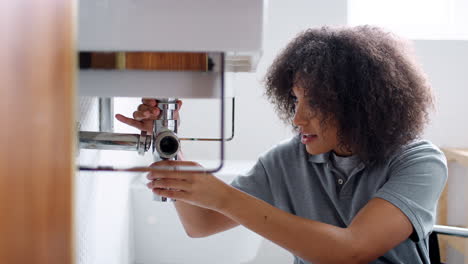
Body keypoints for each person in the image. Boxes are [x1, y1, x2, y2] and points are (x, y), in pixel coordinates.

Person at [116, 26, 447, 264]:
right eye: (294, 101)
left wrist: (223, 196)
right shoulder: (286, 160)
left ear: (358, 104)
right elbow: (201, 224)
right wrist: (167, 144)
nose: (297, 118)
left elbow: (351, 251)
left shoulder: (419, 161)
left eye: (314, 104)